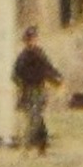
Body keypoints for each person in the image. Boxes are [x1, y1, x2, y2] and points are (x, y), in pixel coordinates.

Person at [13, 26, 62, 155]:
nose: (33, 41)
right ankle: (26, 146)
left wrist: (57, 78)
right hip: (29, 90)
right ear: (26, 41)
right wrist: (22, 86)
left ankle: (42, 146)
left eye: (34, 38)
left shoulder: (39, 53)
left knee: (37, 117)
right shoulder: (23, 57)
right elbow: (15, 75)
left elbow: (47, 68)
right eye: (30, 39)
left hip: (39, 89)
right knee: (34, 118)